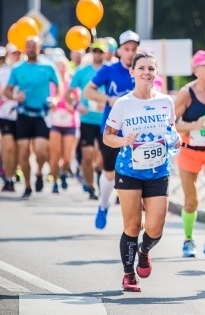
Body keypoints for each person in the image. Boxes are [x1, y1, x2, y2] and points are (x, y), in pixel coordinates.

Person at [103, 52, 177, 292]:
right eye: (142, 68)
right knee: (133, 225)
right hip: (129, 171)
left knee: (155, 228)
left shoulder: (166, 101)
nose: (147, 72)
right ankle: (128, 274)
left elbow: (171, 131)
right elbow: (107, 137)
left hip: (158, 170)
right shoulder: (123, 104)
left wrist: (175, 140)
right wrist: (124, 140)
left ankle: (144, 251)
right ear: (132, 72)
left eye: (151, 68)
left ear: (156, 73)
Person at [83, 30, 138, 228]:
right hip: (112, 131)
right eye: (127, 49)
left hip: (137, 132)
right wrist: (108, 99)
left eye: (134, 49)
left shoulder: (143, 70)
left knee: (136, 174)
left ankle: (134, 222)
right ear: (119, 51)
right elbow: (88, 91)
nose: (131, 53)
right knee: (109, 173)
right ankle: (103, 204)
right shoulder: (109, 69)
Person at [174, 50, 205, 258]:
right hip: (189, 151)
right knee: (191, 201)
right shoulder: (186, 93)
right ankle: (188, 240)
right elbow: (171, 124)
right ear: (196, 70)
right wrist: (193, 125)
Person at [4, 37, 61, 198]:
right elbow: (7, 90)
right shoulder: (17, 68)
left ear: (39, 48)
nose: (31, 49)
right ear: (25, 48)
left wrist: (55, 99)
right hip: (23, 114)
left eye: (34, 46)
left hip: (41, 114)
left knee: (41, 151)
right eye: (28, 46)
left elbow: (59, 86)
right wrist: (15, 97)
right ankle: (27, 185)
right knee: (23, 153)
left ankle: (39, 172)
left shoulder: (48, 66)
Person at [71, 40, 107, 199]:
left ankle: (99, 172)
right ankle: (90, 187)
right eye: (95, 51)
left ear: (105, 53)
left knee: (104, 158)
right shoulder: (82, 71)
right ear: (91, 52)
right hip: (87, 120)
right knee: (87, 155)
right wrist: (76, 104)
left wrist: (107, 103)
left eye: (101, 52)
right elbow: (68, 93)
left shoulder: (110, 71)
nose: (97, 54)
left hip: (106, 120)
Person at [0, 45, 22, 191]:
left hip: (22, 114)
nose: (16, 56)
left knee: (18, 148)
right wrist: (5, 93)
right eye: (13, 53)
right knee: (8, 146)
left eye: (18, 53)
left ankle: (13, 172)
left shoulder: (25, 70)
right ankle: (8, 178)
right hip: (5, 113)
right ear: (8, 55)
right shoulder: (3, 72)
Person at [48, 55, 79, 194]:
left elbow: (78, 101)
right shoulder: (51, 84)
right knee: (55, 155)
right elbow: (48, 100)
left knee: (67, 157)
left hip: (70, 123)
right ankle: (55, 182)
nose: (61, 69)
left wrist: (71, 104)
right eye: (58, 67)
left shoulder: (72, 83)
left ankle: (64, 171)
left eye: (63, 66)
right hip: (55, 122)